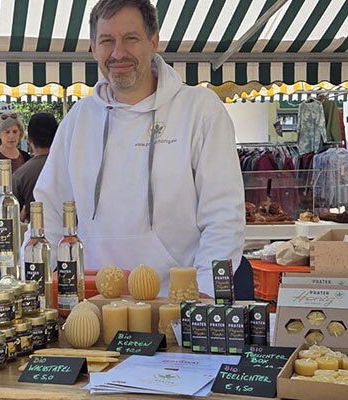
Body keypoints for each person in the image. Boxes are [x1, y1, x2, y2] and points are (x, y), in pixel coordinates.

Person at [31, 0, 245, 297]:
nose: (119, 53)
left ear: (153, 41)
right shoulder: (78, 120)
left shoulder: (200, 110)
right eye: (107, 41)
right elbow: (48, 210)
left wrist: (207, 294)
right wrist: (35, 287)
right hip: (94, 306)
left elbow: (223, 216)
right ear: (93, 48)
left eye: (131, 38)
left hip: (177, 305)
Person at [12, 112, 58, 221]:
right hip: (72, 233)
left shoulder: (21, 175)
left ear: (29, 139)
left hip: (34, 231)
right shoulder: (71, 168)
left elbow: (13, 215)